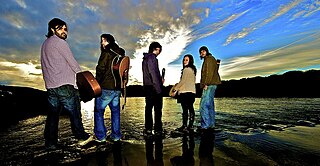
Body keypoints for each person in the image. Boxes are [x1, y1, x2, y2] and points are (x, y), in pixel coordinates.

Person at [40, 18, 92, 150]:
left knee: (52, 116)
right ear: (52, 29)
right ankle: (82, 137)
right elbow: (72, 62)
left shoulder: (45, 44)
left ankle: (50, 143)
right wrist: (83, 78)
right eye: (60, 28)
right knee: (75, 112)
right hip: (65, 85)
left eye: (65, 28)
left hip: (51, 86)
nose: (64, 31)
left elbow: (44, 65)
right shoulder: (60, 43)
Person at [94, 34, 124, 142]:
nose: (102, 43)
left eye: (104, 40)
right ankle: (116, 136)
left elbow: (100, 69)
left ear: (109, 41)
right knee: (115, 113)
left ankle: (101, 137)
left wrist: (96, 83)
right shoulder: (121, 54)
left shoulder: (106, 53)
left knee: (99, 112)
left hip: (106, 87)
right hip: (117, 88)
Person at [142, 42, 164, 136]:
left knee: (149, 108)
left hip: (148, 86)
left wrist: (160, 79)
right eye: (159, 50)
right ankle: (157, 130)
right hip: (153, 87)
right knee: (157, 109)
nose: (159, 52)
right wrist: (158, 87)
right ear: (156, 49)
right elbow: (153, 74)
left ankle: (148, 129)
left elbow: (151, 74)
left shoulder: (145, 58)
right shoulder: (152, 58)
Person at [198, 46, 221, 131]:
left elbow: (209, 73)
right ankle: (211, 125)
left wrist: (205, 83)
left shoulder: (208, 59)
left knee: (203, 105)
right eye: (200, 52)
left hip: (209, 84)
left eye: (203, 51)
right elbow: (215, 71)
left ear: (207, 51)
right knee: (210, 105)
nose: (202, 53)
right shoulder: (211, 59)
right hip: (212, 84)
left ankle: (205, 126)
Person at [172, 54, 197, 132]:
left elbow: (182, 82)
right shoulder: (193, 70)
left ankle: (184, 126)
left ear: (190, 61)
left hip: (185, 93)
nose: (184, 61)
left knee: (185, 110)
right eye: (184, 60)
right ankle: (190, 126)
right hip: (192, 93)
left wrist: (174, 90)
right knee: (191, 109)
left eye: (186, 60)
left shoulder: (186, 69)